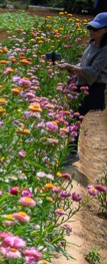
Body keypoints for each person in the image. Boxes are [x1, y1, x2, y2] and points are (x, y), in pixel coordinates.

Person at [57, 13, 107, 164]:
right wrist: (72, 69)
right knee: (73, 117)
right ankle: (71, 150)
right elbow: (84, 66)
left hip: (93, 88)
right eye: (90, 28)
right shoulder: (92, 44)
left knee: (75, 117)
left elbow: (93, 72)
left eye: (96, 29)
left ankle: (72, 153)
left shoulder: (105, 50)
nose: (92, 31)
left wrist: (72, 67)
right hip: (82, 84)